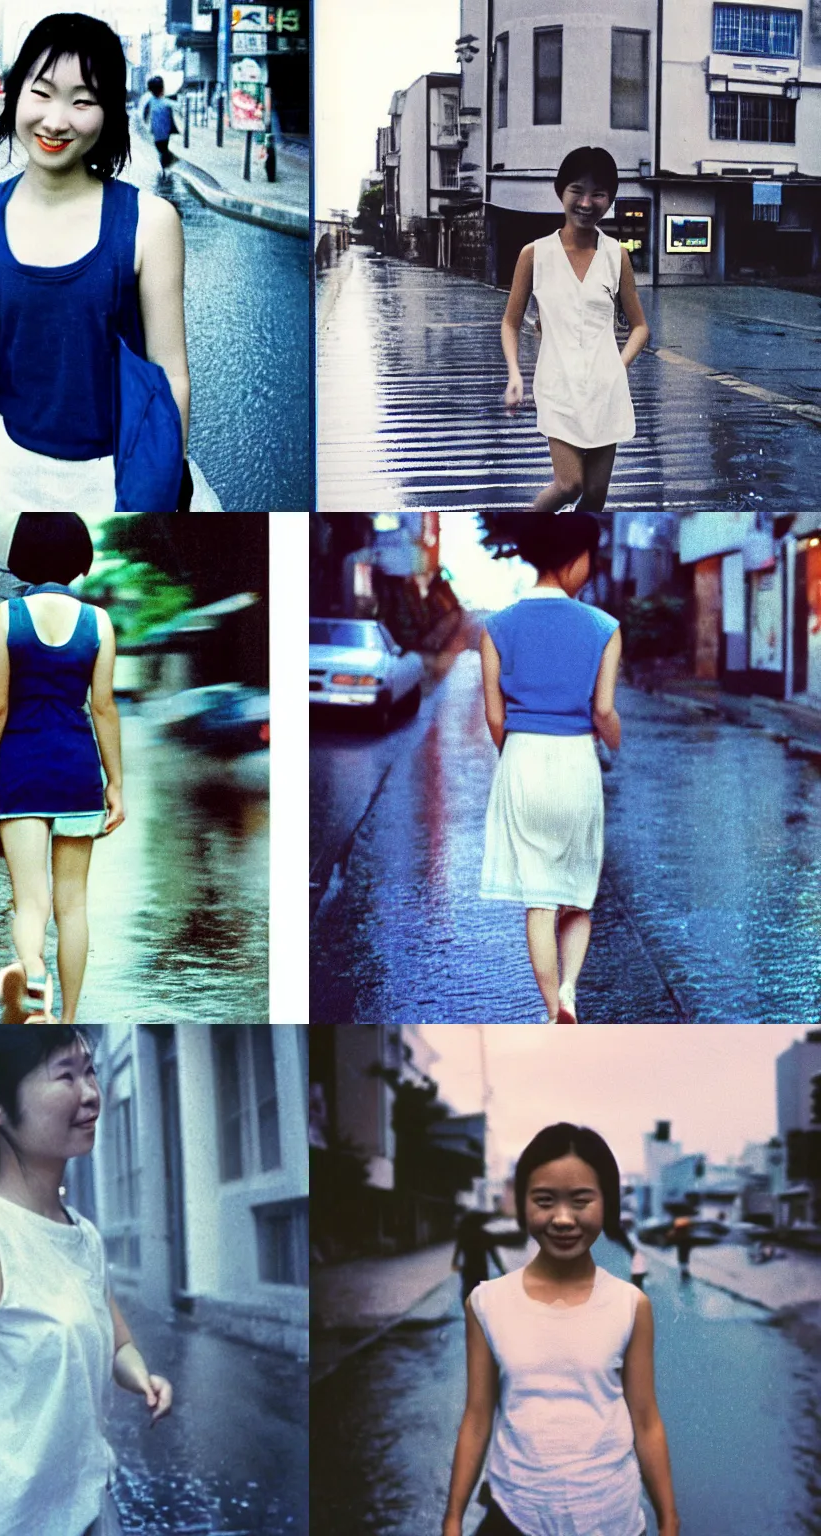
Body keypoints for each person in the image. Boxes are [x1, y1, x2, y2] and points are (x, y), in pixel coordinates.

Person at [0, 12, 196, 513]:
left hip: (116, 475)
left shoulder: (152, 223)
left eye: (82, 101)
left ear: (109, 112)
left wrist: (163, 484)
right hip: (8, 472)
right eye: (41, 93)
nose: (57, 120)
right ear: (15, 93)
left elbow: (170, 373)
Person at [0, 1027, 171, 1536]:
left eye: (89, 1071)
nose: (90, 1093)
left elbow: (117, 1344)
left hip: (88, 1512)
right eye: (65, 1076)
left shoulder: (83, 1235)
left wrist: (141, 1375)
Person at [443, 1123, 678, 1536]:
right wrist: (453, 1518)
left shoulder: (630, 1305)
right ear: (522, 1204)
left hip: (612, 1519)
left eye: (581, 1200)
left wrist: (670, 1520)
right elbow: (478, 1417)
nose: (563, 1219)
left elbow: (645, 1419)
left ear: (605, 1203)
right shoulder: (487, 1304)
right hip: (516, 1516)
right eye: (545, 1201)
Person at [0, 515, 123, 1023]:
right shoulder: (98, 623)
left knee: (30, 903)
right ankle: (67, 1020)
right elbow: (103, 707)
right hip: (77, 771)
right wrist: (116, 784)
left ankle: (34, 977)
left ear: (25, 556)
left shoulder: (7, 616)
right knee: (73, 905)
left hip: (22, 768)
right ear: (79, 558)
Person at [478, 512, 621, 1023]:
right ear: (574, 559)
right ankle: (569, 993)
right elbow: (603, 711)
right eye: (588, 557)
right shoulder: (605, 628)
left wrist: (512, 754)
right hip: (575, 760)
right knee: (577, 898)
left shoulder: (495, 629)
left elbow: (494, 717)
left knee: (538, 898)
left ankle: (548, 1010)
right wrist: (616, 743)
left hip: (522, 759)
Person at [500, 146, 650, 513]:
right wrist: (514, 374)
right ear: (560, 192)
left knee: (596, 495)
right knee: (570, 485)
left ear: (610, 200)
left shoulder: (617, 255)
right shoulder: (534, 254)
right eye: (576, 191)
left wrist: (619, 364)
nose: (586, 202)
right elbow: (510, 321)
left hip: (605, 389)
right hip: (558, 385)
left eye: (598, 193)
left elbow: (640, 327)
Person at [453, 1209, 506, 1305]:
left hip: (468, 1269)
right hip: (481, 1269)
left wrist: (454, 1262)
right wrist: (502, 1270)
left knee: (467, 1292)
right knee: (481, 1294)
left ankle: (468, 1312)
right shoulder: (486, 1235)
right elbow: (494, 1256)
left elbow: (458, 1249)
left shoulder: (464, 1235)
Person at [142, 75, 176, 172]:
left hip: (165, 129)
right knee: (160, 146)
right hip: (157, 129)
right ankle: (167, 162)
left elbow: (173, 114)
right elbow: (146, 110)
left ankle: (165, 166)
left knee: (163, 147)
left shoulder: (166, 101)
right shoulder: (151, 100)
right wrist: (145, 119)